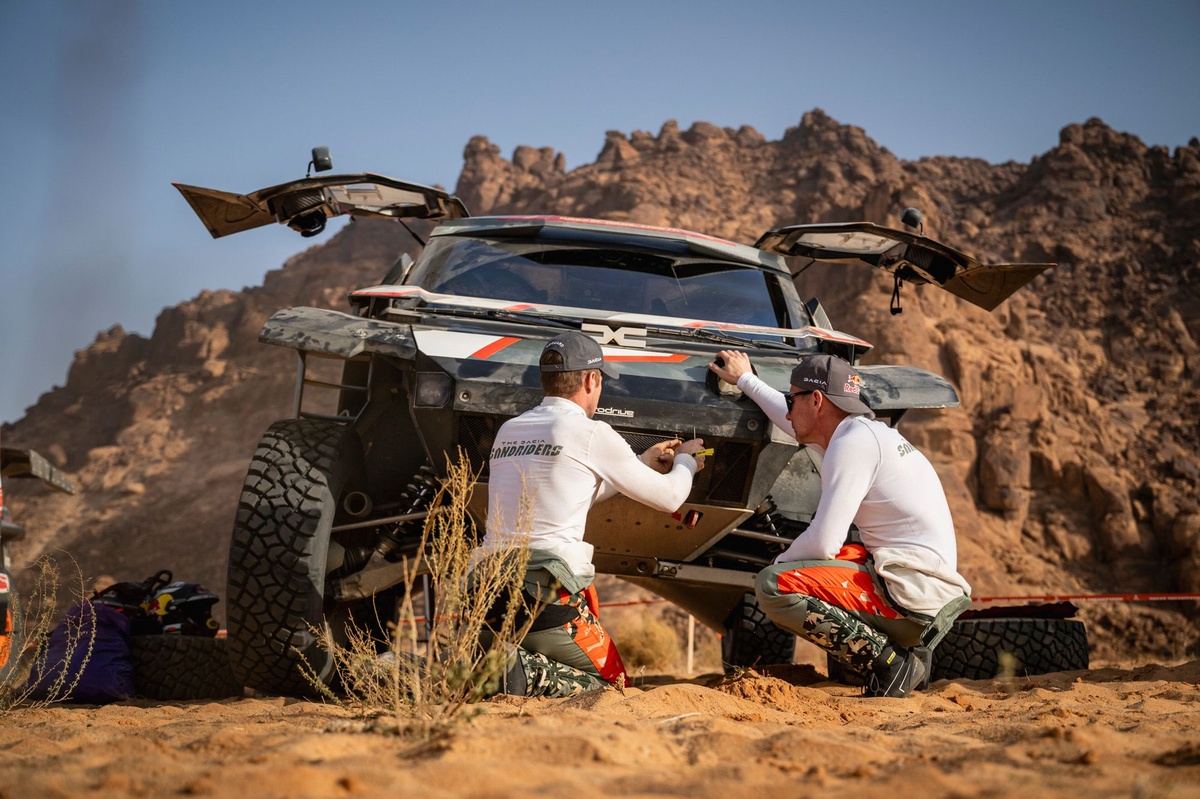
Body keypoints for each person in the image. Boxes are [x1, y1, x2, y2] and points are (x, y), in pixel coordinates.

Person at [708, 350, 971, 698]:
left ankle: (891, 662)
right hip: (921, 586)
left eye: (792, 398)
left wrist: (780, 565)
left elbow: (823, 542)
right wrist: (745, 379)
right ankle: (901, 655)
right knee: (838, 557)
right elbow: (790, 420)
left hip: (911, 596)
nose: (787, 408)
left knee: (774, 584)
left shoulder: (852, 444)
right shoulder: (859, 433)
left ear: (816, 400)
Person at [477, 330, 707, 697]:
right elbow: (670, 498)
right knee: (615, 688)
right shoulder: (590, 432)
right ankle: (524, 672)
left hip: (486, 590)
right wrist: (687, 462)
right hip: (545, 594)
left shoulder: (509, 430)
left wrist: (638, 463)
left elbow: (569, 489)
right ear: (591, 379)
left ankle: (497, 665)